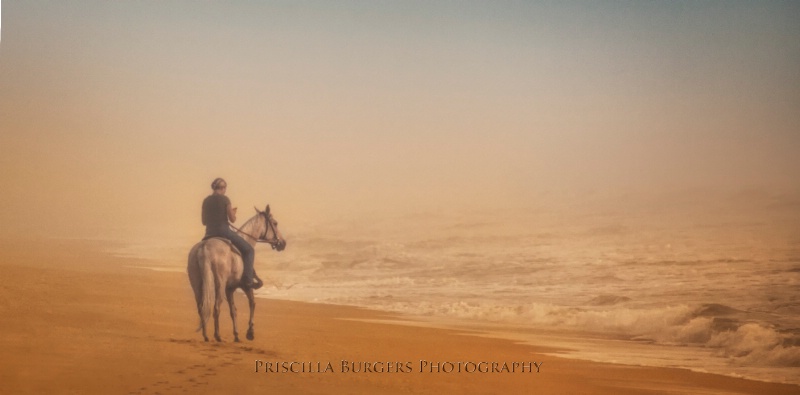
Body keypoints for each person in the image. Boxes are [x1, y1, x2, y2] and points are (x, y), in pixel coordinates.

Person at [201, 177, 258, 289]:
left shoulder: (205, 201)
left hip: (209, 233)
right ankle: (248, 280)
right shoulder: (225, 199)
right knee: (249, 250)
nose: (225, 190)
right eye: (225, 188)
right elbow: (232, 219)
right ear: (222, 188)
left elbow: (203, 221)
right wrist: (233, 213)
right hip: (224, 232)